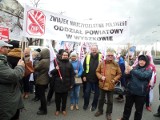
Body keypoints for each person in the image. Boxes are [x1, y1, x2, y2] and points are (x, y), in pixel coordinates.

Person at [117, 55, 152, 120]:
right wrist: (126, 73)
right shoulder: (135, 68)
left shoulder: (148, 70)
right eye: (140, 60)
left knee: (138, 110)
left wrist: (132, 70)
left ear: (146, 61)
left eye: (143, 60)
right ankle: (124, 118)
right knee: (127, 107)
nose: (141, 62)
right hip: (130, 92)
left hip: (140, 94)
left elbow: (142, 76)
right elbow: (127, 77)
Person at [0, 41, 25, 120]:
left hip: (9, 96)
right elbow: (13, 76)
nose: (9, 49)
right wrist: (20, 66)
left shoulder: (3, 60)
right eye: (6, 47)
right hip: (5, 99)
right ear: (1, 49)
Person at [94, 50, 122, 120]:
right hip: (102, 85)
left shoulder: (116, 64)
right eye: (108, 55)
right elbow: (97, 71)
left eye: (111, 55)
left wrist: (114, 79)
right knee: (101, 99)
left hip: (111, 86)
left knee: (110, 101)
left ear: (113, 56)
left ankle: (108, 113)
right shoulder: (101, 63)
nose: (110, 56)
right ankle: (100, 111)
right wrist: (100, 77)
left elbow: (119, 74)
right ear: (106, 56)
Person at [50, 50, 75, 116]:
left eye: (66, 55)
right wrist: (56, 69)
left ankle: (63, 109)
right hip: (58, 84)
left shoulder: (70, 64)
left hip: (66, 84)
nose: (65, 56)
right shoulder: (56, 62)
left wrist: (72, 83)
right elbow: (51, 72)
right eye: (64, 55)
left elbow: (72, 74)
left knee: (64, 99)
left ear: (68, 56)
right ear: (61, 55)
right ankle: (57, 109)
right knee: (57, 99)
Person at [83, 45, 102, 111]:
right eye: (93, 49)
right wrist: (84, 75)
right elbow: (84, 66)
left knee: (97, 94)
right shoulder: (87, 56)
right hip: (89, 78)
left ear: (97, 49)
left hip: (98, 79)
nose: (94, 50)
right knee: (87, 93)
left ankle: (94, 105)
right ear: (91, 50)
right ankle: (86, 104)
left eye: (95, 49)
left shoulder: (101, 56)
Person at [34, 48, 50, 115]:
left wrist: (37, 61)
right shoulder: (49, 60)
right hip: (46, 79)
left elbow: (36, 68)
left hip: (41, 80)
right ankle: (42, 107)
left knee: (42, 96)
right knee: (42, 95)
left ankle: (44, 110)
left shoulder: (43, 61)